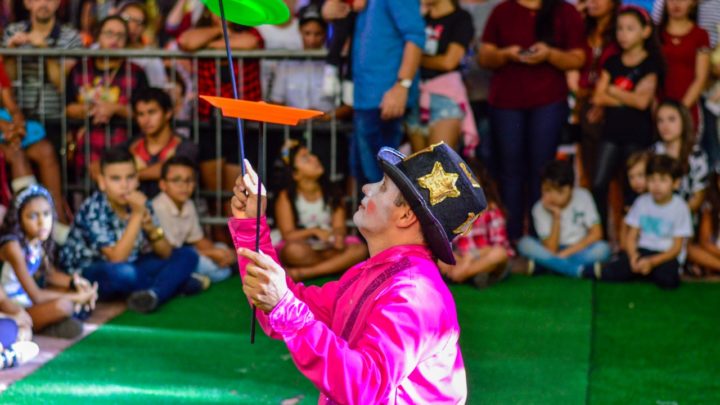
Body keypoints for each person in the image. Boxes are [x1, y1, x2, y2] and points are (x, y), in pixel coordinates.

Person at [230, 142, 487, 402]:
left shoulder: (414, 295)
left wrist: (284, 305)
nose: (367, 187)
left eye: (383, 186)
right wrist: (250, 224)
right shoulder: (376, 271)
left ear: (406, 215)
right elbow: (282, 306)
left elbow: (366, 388)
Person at [478, 0, 586, 240]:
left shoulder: (564, 11)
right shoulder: (502, 10)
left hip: (548, 102)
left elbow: (579, 58)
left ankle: (542, 236)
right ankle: (511, 237)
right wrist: (505, 54)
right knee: (509, 171)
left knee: (542, 170)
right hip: (506, 103)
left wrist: (550, 55)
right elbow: (484, 57)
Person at [59, 147, 201, 313]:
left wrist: (151, 229)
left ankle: (154, 294)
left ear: (137, 179)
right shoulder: (94, 207)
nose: (125, 185)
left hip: (133, 264)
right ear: (102, 183)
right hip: (91, 271)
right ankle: (173, 284)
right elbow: (117, 258)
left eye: (130, 177)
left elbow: (166, 253)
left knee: (187, 254)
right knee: (124, 273)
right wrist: (137, 214)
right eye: (116, 179)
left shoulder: (140, 201)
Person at [322, 0, 425, 185]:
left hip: (386, 99)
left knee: (383, 182)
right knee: (365, 179)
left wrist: (402, 85)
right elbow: (331, 11)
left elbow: (416, 37)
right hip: (364, 98)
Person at [590, 5, 663, 233]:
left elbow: (643, 102)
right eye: (620, 28)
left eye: (630, 28)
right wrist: (628, 96)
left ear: (645, 31)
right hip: (610, 131)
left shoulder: (652, 63)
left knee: (634, 188)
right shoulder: (612, 61)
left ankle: (634, 238)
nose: (623, 33)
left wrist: (613, 90)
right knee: (598, 183)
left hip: (638, 134)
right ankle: (602, 235)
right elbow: (598, 96)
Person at [0, 186, 98, 338]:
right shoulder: (12, 247)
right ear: (19, 219)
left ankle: (50, 324)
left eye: (46, 214)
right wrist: (77, 298)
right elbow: (37, 296)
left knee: (71, 297)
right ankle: (42, 325)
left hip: (27, 302)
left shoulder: (37, 241)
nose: (42, 222)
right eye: (32, 216)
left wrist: (76, 284)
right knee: (64, 305)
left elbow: (50, 274)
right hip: (11, 307)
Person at [588, 154, 693, 289]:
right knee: (614, 271)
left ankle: (643, 271)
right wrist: (633, 257)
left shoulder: (681, 208)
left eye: (662, 180)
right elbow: (631, 237)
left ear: (676, 183)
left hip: (665, 255)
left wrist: (652, 262)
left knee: (669, 280)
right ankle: (636, 270)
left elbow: (676, 248)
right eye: (651, 179)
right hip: (642, 250)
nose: (656, 185)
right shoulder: (642, 202)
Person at [65, 15, 149, 180]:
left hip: (123, 149)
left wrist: (116, 109)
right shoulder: (79, 68)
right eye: (109, 33)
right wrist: (95, 109)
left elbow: (143, 112)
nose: (114, 40)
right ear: (98, 36)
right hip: (85, 149)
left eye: (120, 35)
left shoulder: (136, 72)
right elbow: (68, 108)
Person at [274, 141, 367, 281]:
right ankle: (334, 266)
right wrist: (314, 231)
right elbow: (288, 235)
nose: (315, 159)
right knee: (292, 251)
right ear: (295, 174)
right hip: (304, 248)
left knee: (360, 250)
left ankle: (306, 273)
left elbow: (339, 227)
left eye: (311, 155)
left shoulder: (333, 192)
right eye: (306, 158)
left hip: (329, 247)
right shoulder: (286, 196)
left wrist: (338, 237)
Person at [0, 58, 70, 225]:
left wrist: (17, 123)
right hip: (4, 131)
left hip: (6, 128)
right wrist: (6, 127)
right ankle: (31, 220)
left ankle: (58, 219)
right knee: (16, 154)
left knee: (45, 150)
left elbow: (11, 104)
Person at [516, 160, 611, 278]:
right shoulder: (539, 208)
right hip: (551, 250)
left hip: (579, 249)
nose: (552, 196)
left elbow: (596, 234)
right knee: (524, 244)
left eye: (559, 191)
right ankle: (577, 271)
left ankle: (547, 266)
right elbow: (551, 248)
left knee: (603, 249)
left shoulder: (584, 196)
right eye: (547, 190)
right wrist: (556, 217)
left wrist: (565, 254)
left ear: (571, 189)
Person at [2, 0, 83, 135]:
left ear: (57, 3)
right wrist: (11, 53)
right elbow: (8, 79)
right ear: (27, 3)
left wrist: (44, 49)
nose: (44, 4)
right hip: (17, 117)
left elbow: (62, 84)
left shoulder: (71, 36)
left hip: (55, 118)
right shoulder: (12, 32)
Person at [407, 0, 477, 154]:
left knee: (440, 166)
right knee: (418, 169)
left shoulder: (461, 18)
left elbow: (448, 62)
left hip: (445, 97)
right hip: (416, 95)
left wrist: (413, 59)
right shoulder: (419, 18)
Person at [152, 156, 234, 283]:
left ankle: (194, 277)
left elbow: (197, 239)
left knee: (222, 247)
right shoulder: (159, 207)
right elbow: (172, 253)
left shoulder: (187, 203)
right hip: (166, 258)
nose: (184, 186)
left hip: (185, 252)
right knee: (215, 270)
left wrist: (219, 252)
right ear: (163, 185)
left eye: (189, 180)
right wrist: (212, 254)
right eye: (176, 180)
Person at [438, 158, 513, 287]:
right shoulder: (451, 211)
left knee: (499, 253)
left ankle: (462, 274)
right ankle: (473, 275)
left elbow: (499, 246)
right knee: (437, 257)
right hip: (461, 259)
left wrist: (472, 257)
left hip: (484, 257)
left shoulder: (491, 210)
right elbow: (446, 244)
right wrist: (460, 259)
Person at [570, 0, 620, 186]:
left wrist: (603, 102)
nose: (593, 2)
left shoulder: (622, 30)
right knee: (586, 168)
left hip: (611, 103)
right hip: (581, 102)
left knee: (612, 173)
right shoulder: (581, 29)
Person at [126, 87, 198, 198]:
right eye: (141, 114)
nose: (146, 120)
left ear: (168, 113)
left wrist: (130, 175)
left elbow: (174, 170)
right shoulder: (132, 145)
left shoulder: (186, 146)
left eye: (152, 112)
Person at [269, 5, 336, 113]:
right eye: (307, 33)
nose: (312, 40)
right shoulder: (287, 62)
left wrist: (325, 117)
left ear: (325, 32)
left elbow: (346, 105)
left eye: (318, 34)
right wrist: (297, 115)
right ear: (300, 31)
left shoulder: (333, 62)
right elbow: (276, 101)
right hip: (293, 127)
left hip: (326, 126)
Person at [460, 0, 502, 167]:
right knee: (458, 157)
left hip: (490, 94)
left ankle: (488, 192)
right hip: (454, 96)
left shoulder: (499, 7)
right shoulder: (447, 5)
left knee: (488, 154)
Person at [658, 0, 711, 134]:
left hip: (688, 106)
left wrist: (680, 111)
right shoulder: (655, 33)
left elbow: (701, 78)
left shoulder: (701, 35)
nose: (676, 3)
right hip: (657, 106)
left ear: (693, 3)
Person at [652, 100, 709, 213]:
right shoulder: (653, 152)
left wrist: (676, 218)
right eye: (660, 120)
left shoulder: (697, 155)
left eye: (671, 119)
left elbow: (698, 198)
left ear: (683, 121)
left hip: (684, 220)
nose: (665, 126)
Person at [116, 1, 169, 88]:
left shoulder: (150, 56)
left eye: (139, 22)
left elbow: (158, 88)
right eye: (127, 19)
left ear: (144, 27)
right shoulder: (98, 49)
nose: (132, 26)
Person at [687, 170, 720, 277]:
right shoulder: (710, 205)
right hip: (715, 251)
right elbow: (704, 242)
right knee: (690, 250)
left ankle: (707, 267)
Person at [620, 150, 650, 250]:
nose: (635, 182)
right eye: (631, 177)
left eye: (641, 175)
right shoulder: (631, 199)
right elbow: (624, 230)